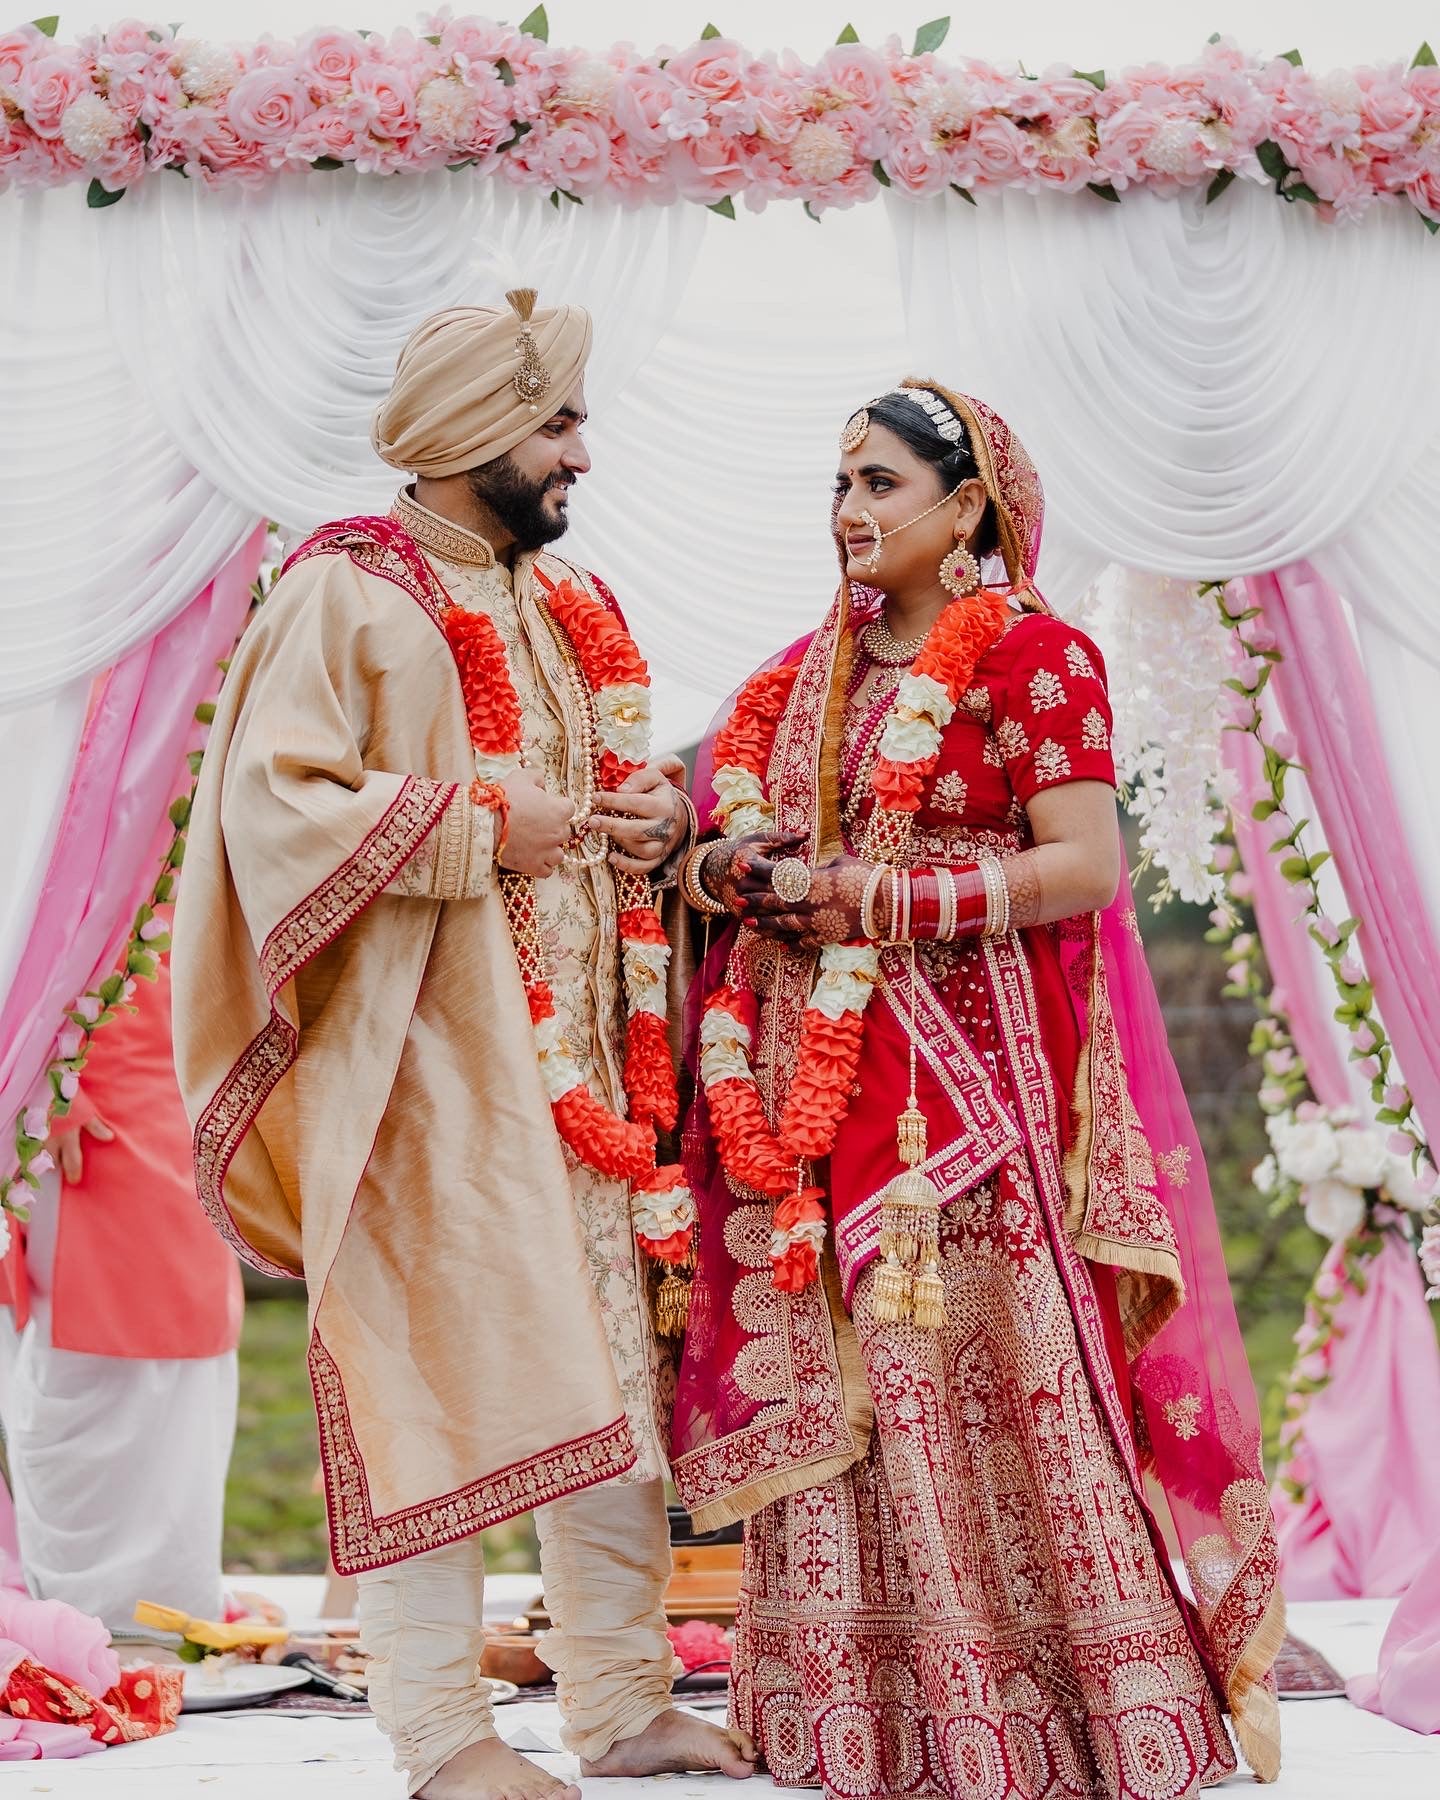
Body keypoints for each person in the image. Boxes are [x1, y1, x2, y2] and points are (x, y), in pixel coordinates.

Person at [172, 293, 755, 1800]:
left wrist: (650, 820)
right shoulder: (346, 598)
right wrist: (484, 824)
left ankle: (620, 1702)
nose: (582, 453)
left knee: (606, 1381)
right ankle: (440, 1737)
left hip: (586, 1082)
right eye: (558, 424)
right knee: (433, 1385)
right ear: (470, 435)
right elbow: (275, 809)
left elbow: (597, 790)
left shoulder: (562, 605)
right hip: (424, 1074)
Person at [670, 381, 1283, 1799]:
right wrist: (729, 874)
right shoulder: (794, 677)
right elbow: (713, 836)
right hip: (806, 1103)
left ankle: (1055, 1712)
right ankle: (858, 1716)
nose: (849, 514)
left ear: (968, 511)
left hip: (975, 1093)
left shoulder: (1036, 658)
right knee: (841, 1381)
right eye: (838, 485)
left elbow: (1084, 865)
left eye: (882, 485)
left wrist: (884, 897)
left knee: (988, 1368)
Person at [0, 957, 242, 1628]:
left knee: (190, 1336)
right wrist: (36, 1080)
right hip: (79, 1094)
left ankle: (170, 1606)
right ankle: (94, 1618)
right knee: (90, 1349)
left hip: (182, 1094)